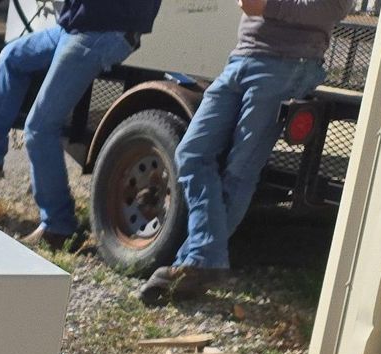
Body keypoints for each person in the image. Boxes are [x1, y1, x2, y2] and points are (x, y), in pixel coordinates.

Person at [141, 0, 349, 305]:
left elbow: (334, 8)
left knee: (240, 171)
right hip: (242, 57)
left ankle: (194, 264)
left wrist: (267, 6)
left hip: (288, 63)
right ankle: (201, 261)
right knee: (192, 153)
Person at [0, 1, 164, 252]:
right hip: (77, 26)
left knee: (40, 128)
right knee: (11, 57)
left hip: (103, 32)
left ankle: (59, 225)